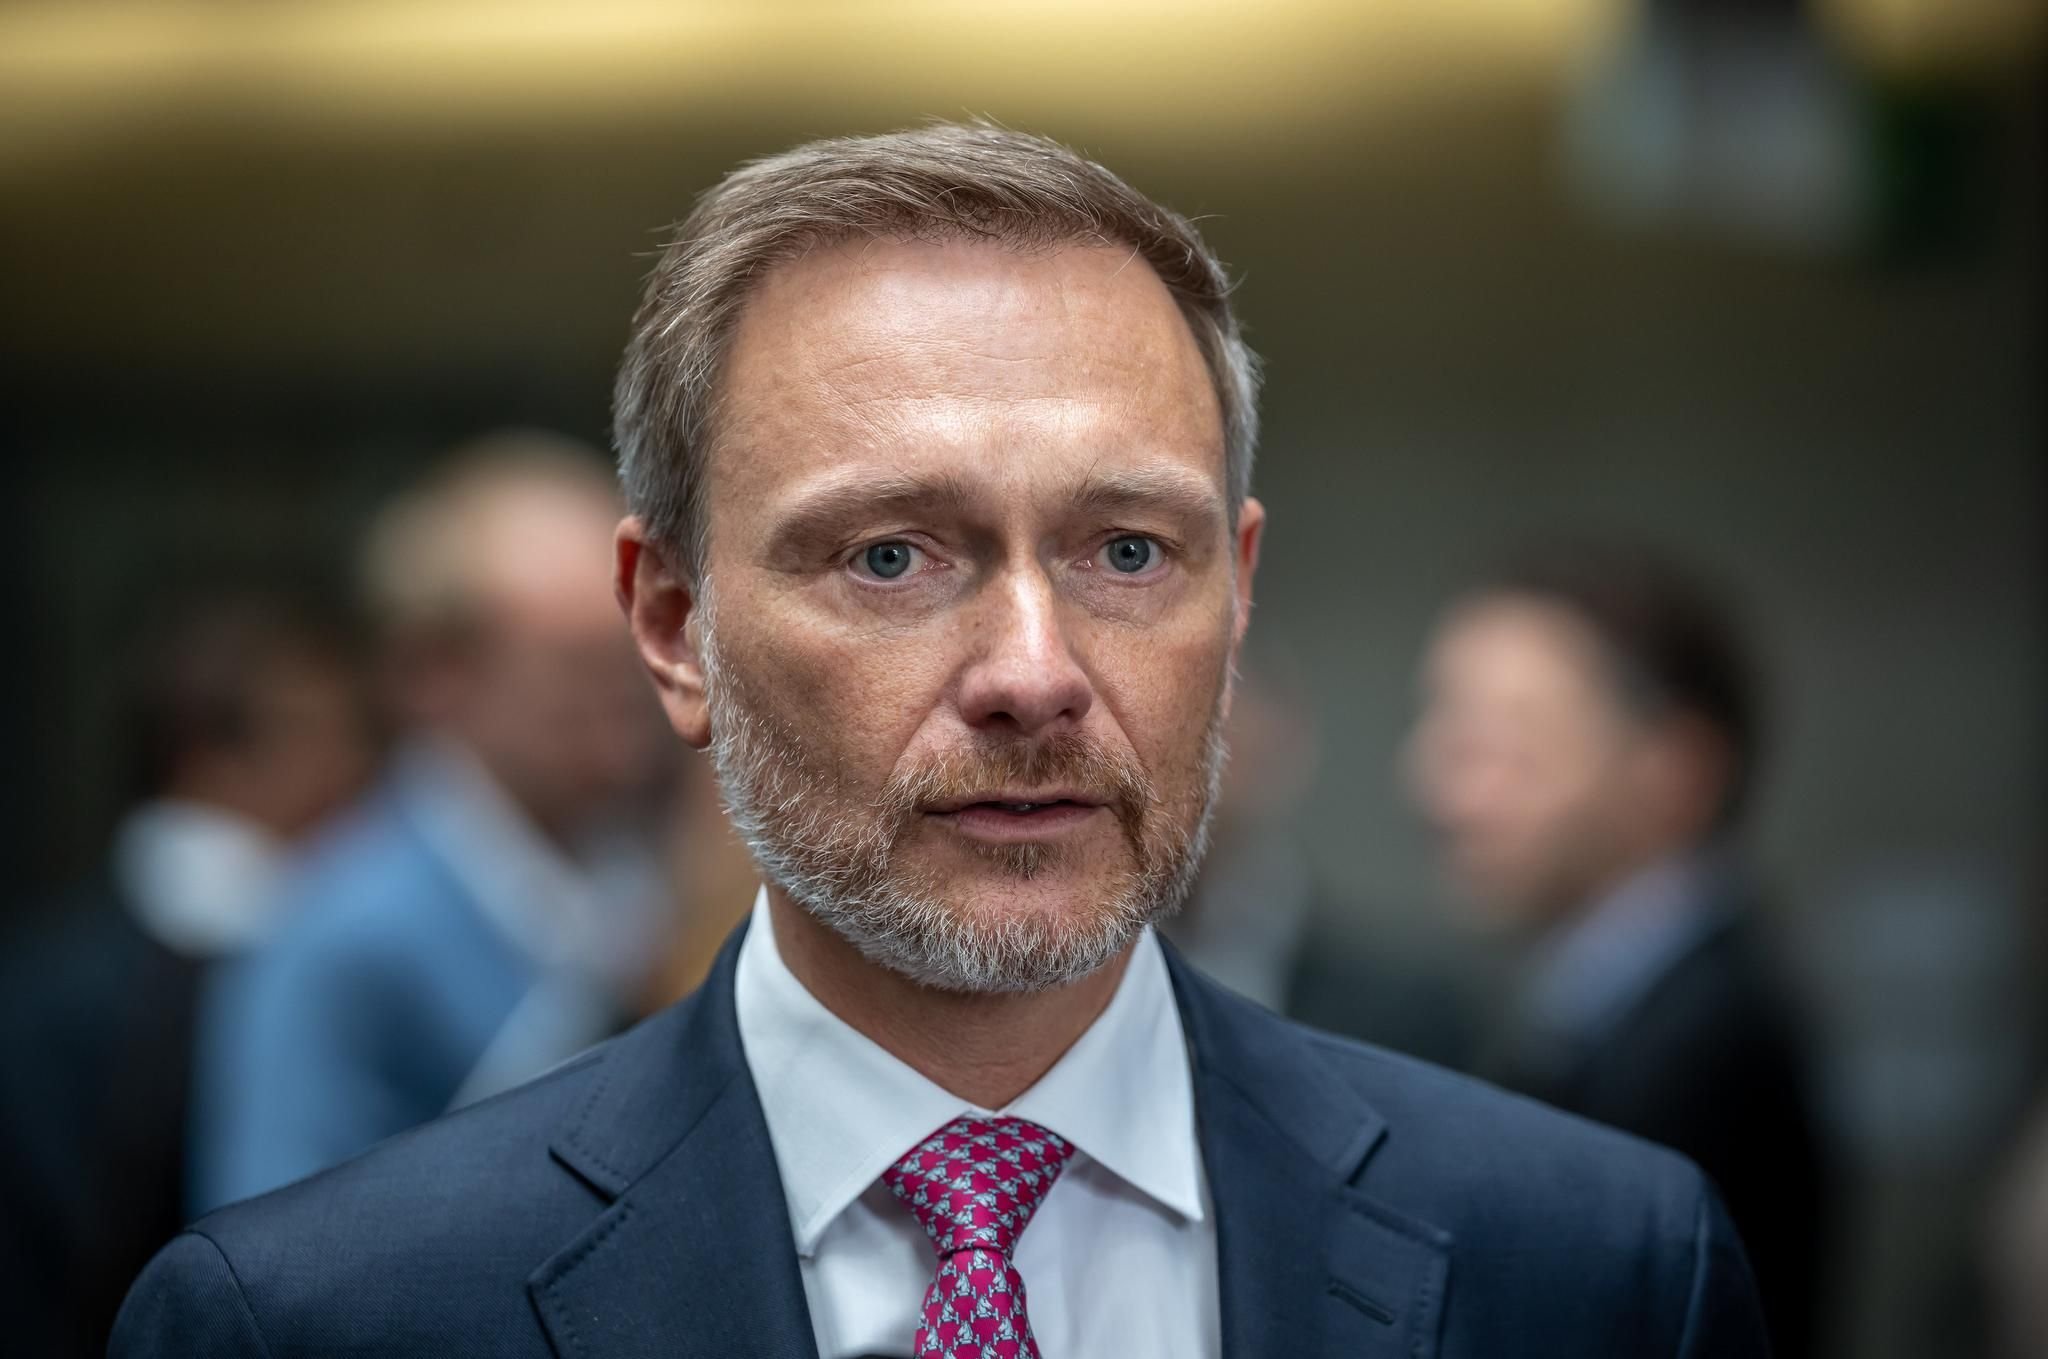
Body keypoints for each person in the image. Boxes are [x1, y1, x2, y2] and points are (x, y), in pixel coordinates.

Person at [116, 124, 1769, 1358]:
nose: (1035, 675)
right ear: (675, 626)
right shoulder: (322, 1318)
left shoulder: (1598, 1267)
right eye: (891, 555)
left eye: (1130, 549)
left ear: (1241, 593)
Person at [186, 433, 674, 1213]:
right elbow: (269, 1244)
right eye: (579, 664)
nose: (629, 697)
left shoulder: (649, 873)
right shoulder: (341, 936)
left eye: (645, 650)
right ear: (434, 671)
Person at [1408, 542, 1834, 1359]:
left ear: (1675, 772)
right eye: (1440, 736)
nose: (1437, 790)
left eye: (1495, 747)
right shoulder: (1621, 1006)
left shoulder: (1704, 1043)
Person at [0, 588, 373, 1358]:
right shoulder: (114, 990)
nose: (351, 767)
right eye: (315, 732)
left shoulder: (72, 968)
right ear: (206, 757)